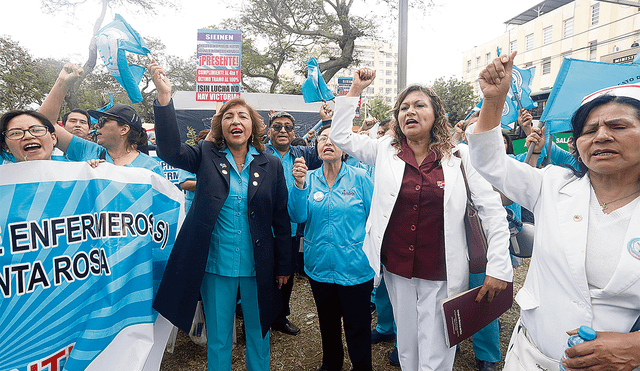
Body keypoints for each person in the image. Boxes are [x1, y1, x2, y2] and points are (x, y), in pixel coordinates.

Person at [330, 68, 512, 371]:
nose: (409, 112)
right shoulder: (385, 150)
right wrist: (355, 90)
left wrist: (498, 266)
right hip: (398, 267)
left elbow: (492, 211)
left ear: (436, 114)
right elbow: (339, 136)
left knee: (438, 346)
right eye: (403, 108)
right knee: (408, 343)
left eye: (418, 105)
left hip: (442, 269)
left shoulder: (459, 157)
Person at [468, 52, 640, 370]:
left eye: (618, 125)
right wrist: (494, 101)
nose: (601, 135)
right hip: (530, 358)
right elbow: (488, 162)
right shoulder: (552, 183)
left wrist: (636, 347)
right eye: (589, 130)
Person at [149, 61, 292, 371]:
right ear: (220, 126)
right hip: (215, 265)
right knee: (219, 337)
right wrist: (164, 98)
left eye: (242, 116)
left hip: (259, 266)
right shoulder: (204, 154)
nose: (235, 120)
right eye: (228, 116)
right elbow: (170, 151)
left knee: (259, 333)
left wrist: (284, 264)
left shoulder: (271, 164)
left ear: (253, 125)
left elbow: (281, 218)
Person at [289, 125, 375, 371]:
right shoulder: (309, 179)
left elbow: (375, 219)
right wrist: (298, 185)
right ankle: (332, 363)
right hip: (319, 267)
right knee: (327, 322)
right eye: (322, 139)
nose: (327, 142)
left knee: (357, 324)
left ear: (345, 148)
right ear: (316, 147)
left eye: (335, 138)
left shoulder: (360, 178)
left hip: (355, 267)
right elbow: (297, 216)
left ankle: (361, 366)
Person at [39, 64, 163, 176]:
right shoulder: (87, 150)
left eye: (103, 121)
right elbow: (46, 124)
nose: (97, 126)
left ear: (124, 129)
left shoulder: (151, 167)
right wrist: (62, 83)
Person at [265, 109, 323, 336]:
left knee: (286, 275)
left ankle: (280, 317)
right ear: (269, 131)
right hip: (262, 228)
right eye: (277, 126)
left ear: (293, 132)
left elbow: (324, 151)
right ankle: (258, 318)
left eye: (288, 127)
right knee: (262, 275)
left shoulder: (302, 154)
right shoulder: (258, 153)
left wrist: (327, 121)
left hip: (290, 228)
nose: (282, 130)